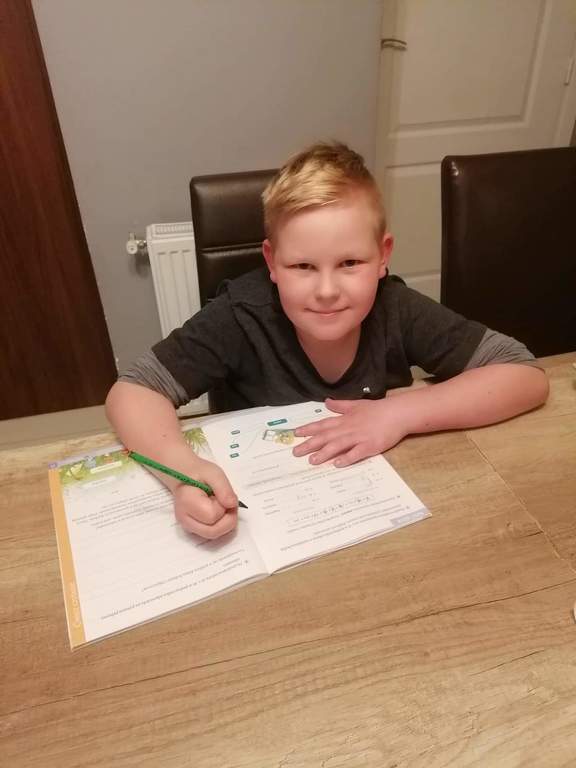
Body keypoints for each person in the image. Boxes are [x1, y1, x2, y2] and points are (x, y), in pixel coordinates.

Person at [106, 141, 549, 540]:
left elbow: (523, 374)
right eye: (303, 266)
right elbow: (133, 392)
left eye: (350, 263)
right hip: (264, 519)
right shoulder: (240, 315)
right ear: (271, 262)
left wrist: (399, 413)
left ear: (383, 256)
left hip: (379, 516)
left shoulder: (395, 306)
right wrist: (184, 474)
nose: (326, 290)